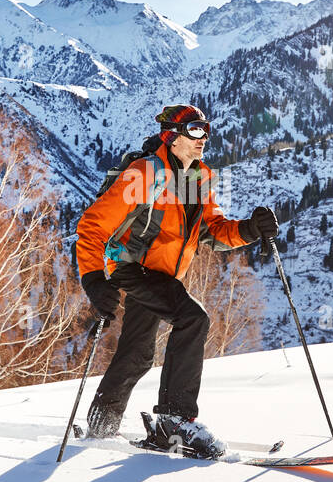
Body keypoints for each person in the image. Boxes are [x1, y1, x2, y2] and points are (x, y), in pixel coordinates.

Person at [75, 104, 278, 456]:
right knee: (193, 319)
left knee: (137, 354)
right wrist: (93, 279)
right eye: (196, 130)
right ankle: (175, 422)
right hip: (131, 266)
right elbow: (92, 225)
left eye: (206, 130)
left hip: (162, 273)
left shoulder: (197, 179)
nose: (204, 138)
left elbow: (212, 232)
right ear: (173, 135)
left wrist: (249, 229)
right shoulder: (144, 174)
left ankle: (101, 423)